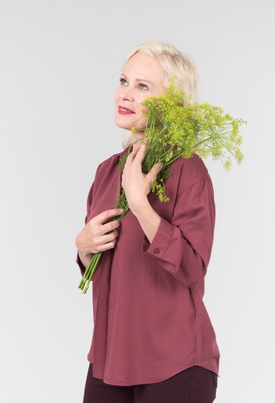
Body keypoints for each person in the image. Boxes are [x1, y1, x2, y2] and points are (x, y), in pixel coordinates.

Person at [75, 41, 220, 403]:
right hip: (109, 362)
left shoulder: (188, 169)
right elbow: (108, 264)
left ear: (175, 103)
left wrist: (140, 204)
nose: (125, 94)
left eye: (143, 87)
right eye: (124, 81)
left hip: (175, 364)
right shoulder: (107, 171)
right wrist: (82, 249)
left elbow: (192, 268)